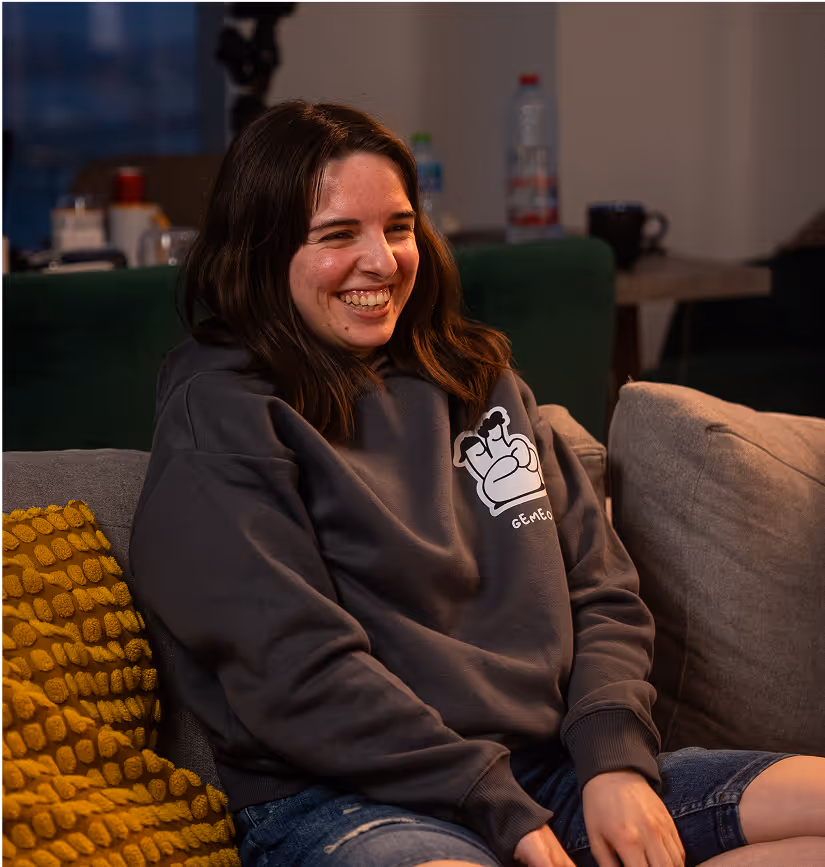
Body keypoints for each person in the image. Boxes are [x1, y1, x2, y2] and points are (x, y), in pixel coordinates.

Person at [129, 101, 825, 867]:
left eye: (397, 227)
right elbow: (292, 670)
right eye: (336, 235)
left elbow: (600, 592)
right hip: (351, 800)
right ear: (260, 252)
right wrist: (497, 807)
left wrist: (614, 759)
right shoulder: (221, 411)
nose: (382, 260)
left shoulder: (478, 379)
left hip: (557, 770)